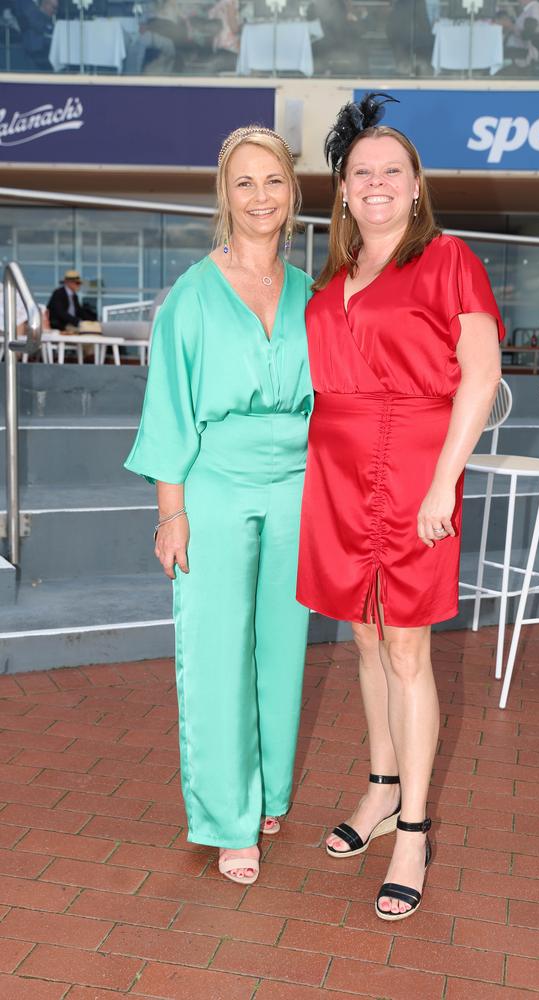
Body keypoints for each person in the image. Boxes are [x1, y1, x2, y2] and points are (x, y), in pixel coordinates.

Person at [297, 94, 504, 921]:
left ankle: (414, 827)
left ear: (416, 186)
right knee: (366, 640)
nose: (376, 184)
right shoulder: (334, 278)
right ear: (343, 191)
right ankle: (379, 788)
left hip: (415, 465)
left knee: (410, 650)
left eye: (392, 171)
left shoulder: (450, 259)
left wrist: (443, 480)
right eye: (361, 173)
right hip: (339, 471)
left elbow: (481, 378)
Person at [124, 126, 313, 886]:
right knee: (216, 651)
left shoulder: (309, 290)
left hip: (299, 485)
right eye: (244, 183)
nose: (260, 196)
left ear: (293, 193)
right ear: (223, 196)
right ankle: (228, 817)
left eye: (273, 181)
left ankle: (265, 789)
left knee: (282, 646)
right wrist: (172, 513)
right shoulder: (193, 295)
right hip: (214, 485)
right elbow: (168, 408)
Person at [503, 0, 539, 70]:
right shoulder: (529, 9)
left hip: (523, 56)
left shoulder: (534, 8)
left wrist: (511, 26)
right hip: (518, 53)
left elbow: (527, 34)